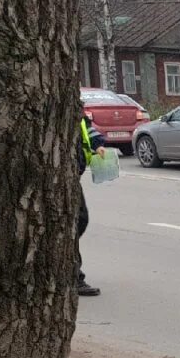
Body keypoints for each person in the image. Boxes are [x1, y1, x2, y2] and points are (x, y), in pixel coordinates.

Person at [76, 113, 105, 296]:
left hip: (71, 176)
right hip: (59, 177)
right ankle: (74, 277)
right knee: (71, 225)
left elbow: (86, 128)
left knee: (80, 220)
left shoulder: (73, 105)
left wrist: (98, 145)